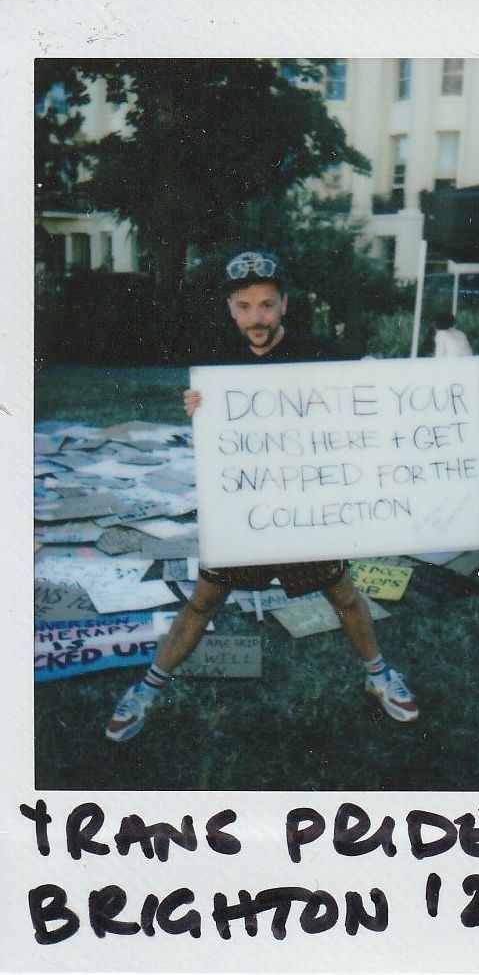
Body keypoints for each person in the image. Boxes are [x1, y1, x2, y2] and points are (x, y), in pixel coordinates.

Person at [106, 250, 420, 742]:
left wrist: (463, 393)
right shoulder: (216, 363)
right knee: (205, 599)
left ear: (284, 305)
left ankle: (380, 676)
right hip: (243, 509)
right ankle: (146, 690)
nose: (258, 317)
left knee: (341, 592)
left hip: (303, 507)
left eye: (267, 305)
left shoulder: (319, 350)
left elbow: (389, 384)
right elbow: (216, 437)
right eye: (246, 306)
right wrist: (198, 412)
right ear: (232, 309)